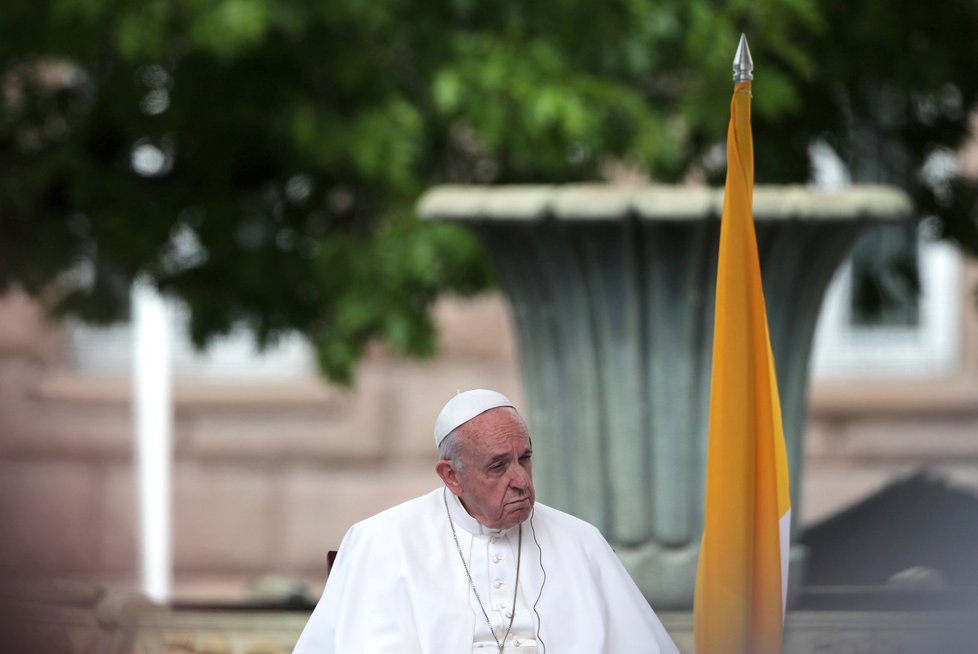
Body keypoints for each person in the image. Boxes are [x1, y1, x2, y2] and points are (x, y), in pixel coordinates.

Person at [293, 389, 679, 654]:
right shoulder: (381, 542)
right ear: (451, 475)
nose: (521, 481)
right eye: (498, 466)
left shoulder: (581, 542)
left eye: (525, 459)